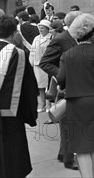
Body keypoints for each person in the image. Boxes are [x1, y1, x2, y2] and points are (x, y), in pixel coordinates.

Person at [56, 13, 94, 178]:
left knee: (81, 146)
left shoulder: (68, 54)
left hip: (77, 101)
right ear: (92, 33)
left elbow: (61, 81)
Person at [39, 10, 82, 171]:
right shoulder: (61, 39)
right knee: (68, 124)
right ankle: (69, 159)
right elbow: (45, 62)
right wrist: (62, 76)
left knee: (69, 124)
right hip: (65, 88)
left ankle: (64, 154)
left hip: (78, 88)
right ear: (74, 23)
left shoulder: (77, 39)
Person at [0, 16, 38, 178]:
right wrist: (30, 114)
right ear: (14, 33)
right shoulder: (17, 54)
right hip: (9, 114)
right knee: (11, 157)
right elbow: (28, 89)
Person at [29, 19, 52, 112]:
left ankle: (48, 105)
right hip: (37, 65)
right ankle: (41, 105)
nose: (40, 30)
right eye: (39, 28)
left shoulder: (51, 38)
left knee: (48, 87)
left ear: (47, 29)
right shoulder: (36, 38)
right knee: (39, 87)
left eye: (42, 28)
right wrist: (31, 62)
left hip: (47, 65)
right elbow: (32, 51)